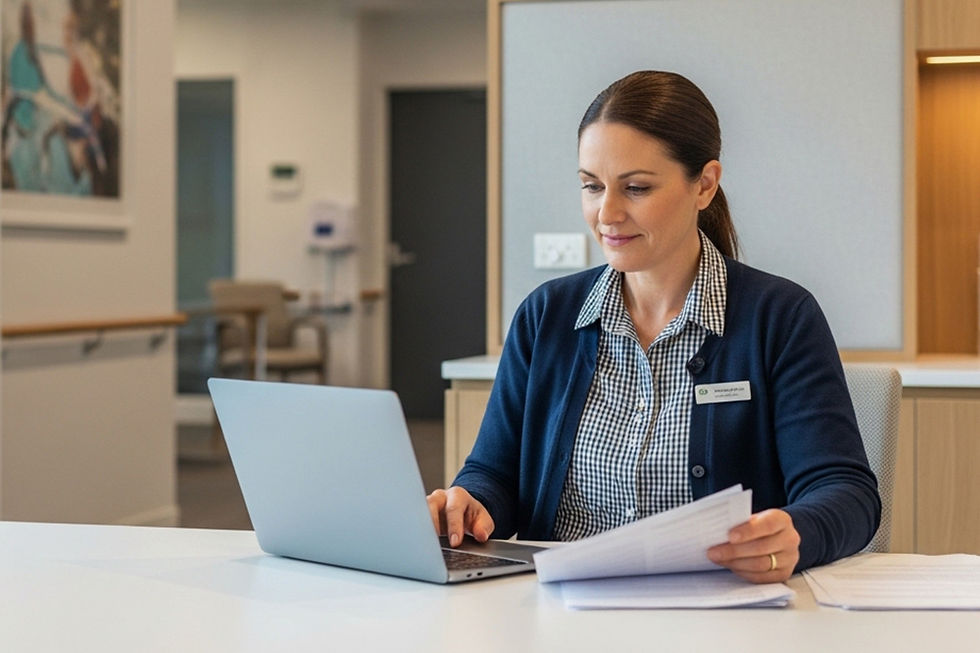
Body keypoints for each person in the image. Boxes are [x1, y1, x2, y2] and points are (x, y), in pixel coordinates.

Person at [427, 70, 880, 583]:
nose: (607, 214)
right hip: (561, 612)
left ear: (704, 185)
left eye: (636, 188)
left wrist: (796, 532)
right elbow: (494, 475)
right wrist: (470, 502)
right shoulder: (546, 316)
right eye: (591, 187)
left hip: (720, 616)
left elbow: (847, 493)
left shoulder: (779, 317)